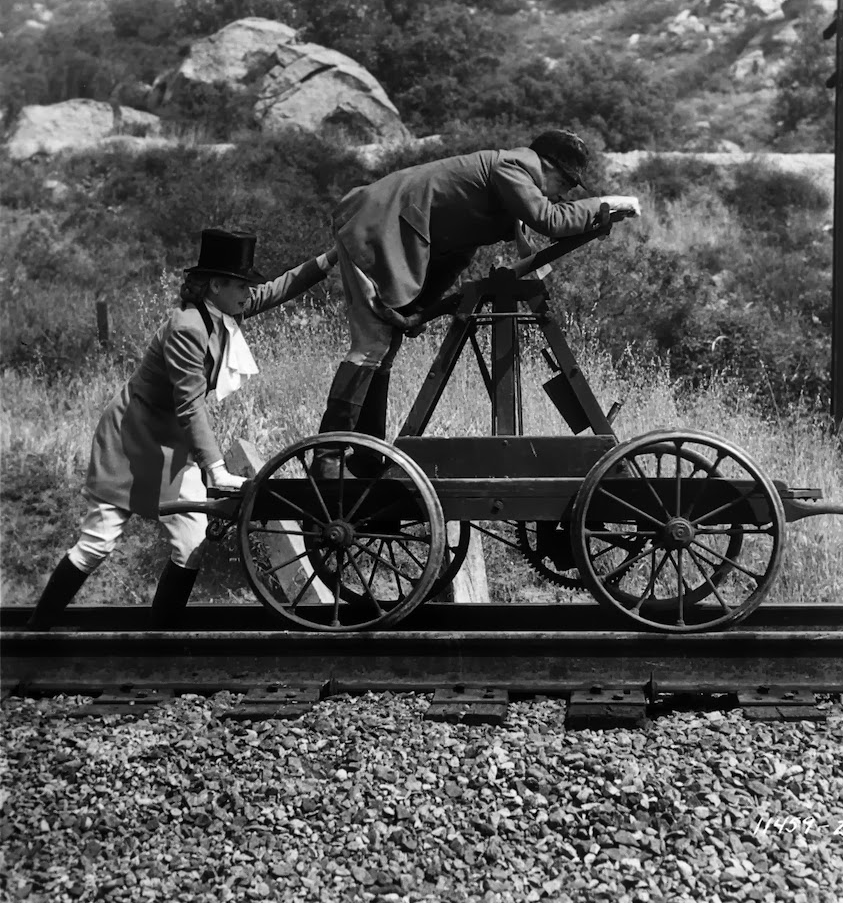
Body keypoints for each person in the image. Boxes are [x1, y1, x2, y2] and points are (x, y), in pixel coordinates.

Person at [27, 229, 337, 630]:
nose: (249, 292)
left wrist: (330, 259)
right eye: (242, 285)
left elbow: (277, 289)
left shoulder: (224, 311)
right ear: (215, 286)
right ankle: (36, 633)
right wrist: (216, 470)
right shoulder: (187, 327)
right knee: (97, 544)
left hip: (170, 443)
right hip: (130, 439)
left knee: (191, 541)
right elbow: (190, 405)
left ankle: (161, 640)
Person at [314, 129, 640, 476]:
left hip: (387, 232)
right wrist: (606, 203)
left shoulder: (497, 190)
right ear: (548, 167)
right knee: (372, 346)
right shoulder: (512, 168)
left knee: (383, 350)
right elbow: (551, 221)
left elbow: (457, 253)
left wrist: (418, 309)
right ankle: (328, 458)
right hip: (374, 227)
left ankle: (366, 459)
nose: (563, 194)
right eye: (566, 183)